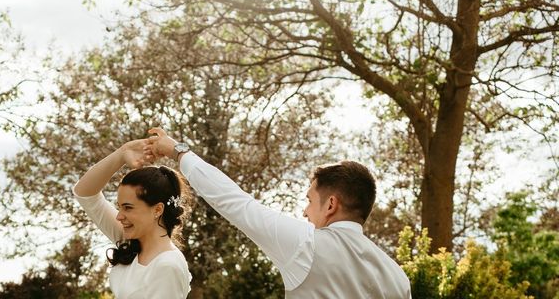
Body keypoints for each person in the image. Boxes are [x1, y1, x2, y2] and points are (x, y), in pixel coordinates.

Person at [147, 127, 412, 299]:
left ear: (331, 205)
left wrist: (177, 150)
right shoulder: (398, 277)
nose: (305, 211)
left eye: (310, 200)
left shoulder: (306, 244)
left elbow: (236, 202)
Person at [74, 138, 192, 298]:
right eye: (119, 206)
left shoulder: (167, 266)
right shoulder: (130, 242)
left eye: (128, 207)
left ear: (157, 209)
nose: (119, 216)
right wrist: (122, 153)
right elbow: (85, 193)